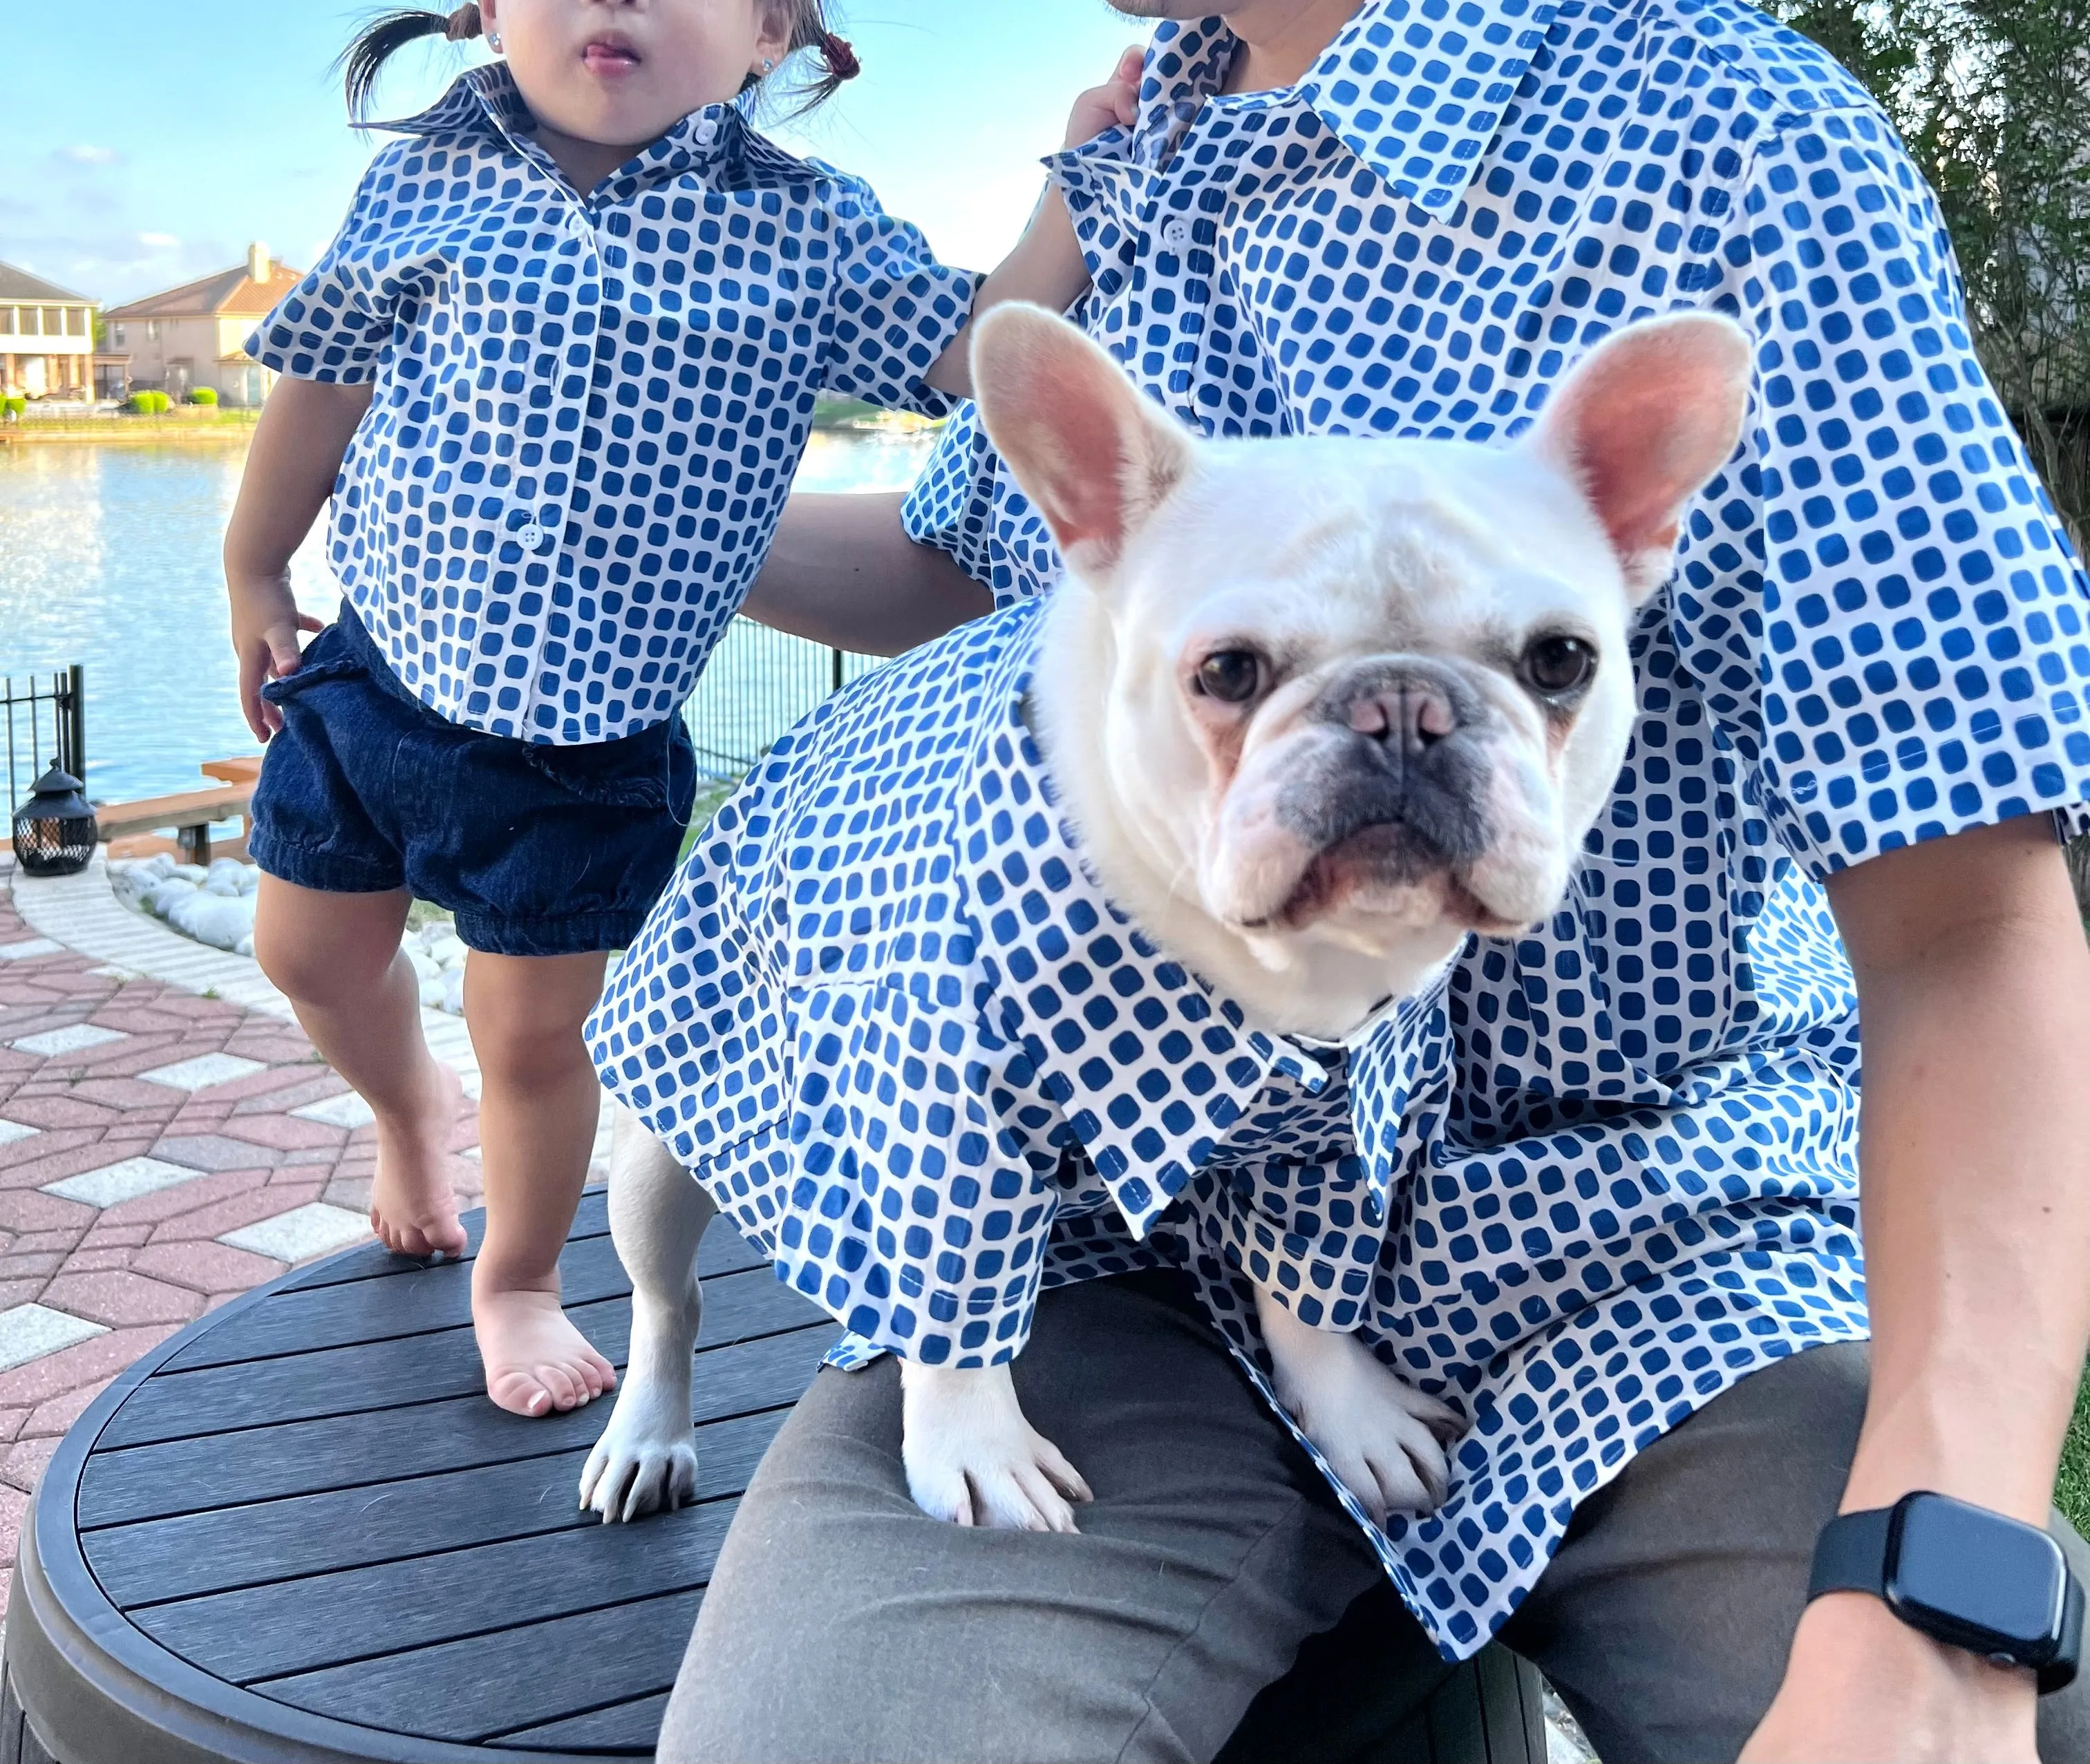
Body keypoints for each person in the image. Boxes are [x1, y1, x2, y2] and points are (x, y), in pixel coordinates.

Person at [661, 1, 2090, 1760]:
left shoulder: (1721, 133)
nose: (1398, 739)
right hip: (1128, 1232)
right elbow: (992, 559)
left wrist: (1936, 1593)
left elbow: (1970, 910)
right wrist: (636, 519)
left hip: (1642, 1231)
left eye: (1546, 666)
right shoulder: (1133, 143)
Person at [221, 0, 1142, 1421]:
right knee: (307, 957)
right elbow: (324, 376)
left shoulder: (804, 231)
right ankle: (407, 1113)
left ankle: (519, 1278)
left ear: (773, 33)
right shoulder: (430, 175)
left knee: (533, 1041)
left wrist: (1075, 183)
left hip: (584, 756)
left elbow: (973, 343)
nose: (616, 1)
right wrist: (253, 561)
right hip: (375, 677)